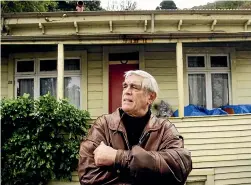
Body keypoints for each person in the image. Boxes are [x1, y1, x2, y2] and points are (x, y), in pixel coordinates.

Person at [78, 70, 192, 185]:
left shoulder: (164, 129)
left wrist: (118, 158)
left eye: (134, 87)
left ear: (150, 97)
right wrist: (147, 173)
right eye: (125, 86)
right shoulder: (103, 125)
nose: (127, 91)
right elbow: (88, 176)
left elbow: (179, 168)